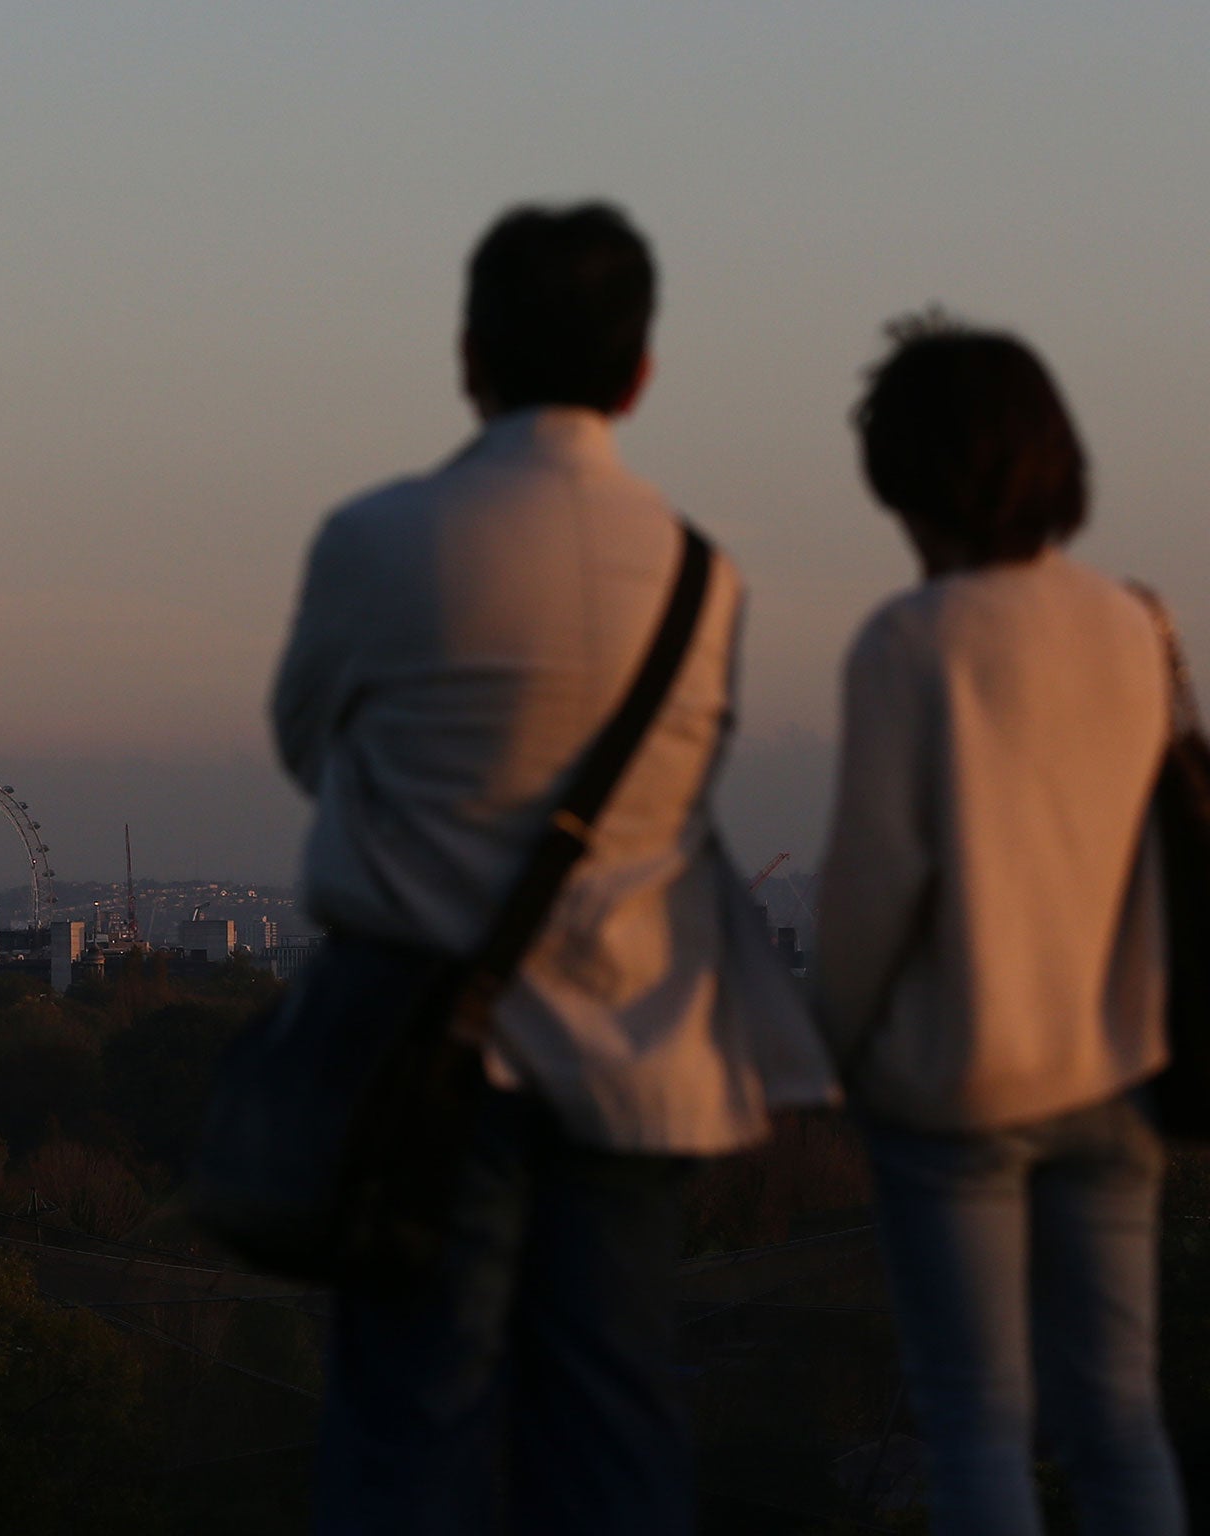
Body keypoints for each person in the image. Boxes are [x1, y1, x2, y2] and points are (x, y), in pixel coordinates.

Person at [272, 202, 833, 1535]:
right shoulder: (704, 580)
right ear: (640, 373)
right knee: (618, 1424)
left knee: (409, 1426)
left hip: (422, 1055)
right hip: (632, 1057)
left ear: (469, 355)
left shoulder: (376, 539)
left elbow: (309, 743)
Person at [815, 317, 1188, 1533]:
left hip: (959, 1082)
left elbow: (870, 896)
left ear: (908, 483)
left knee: (973, 1424)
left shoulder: (908, 643)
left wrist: (839, 1045)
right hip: (1121, 1066)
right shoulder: (1136, 626)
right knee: (1118, 1423)